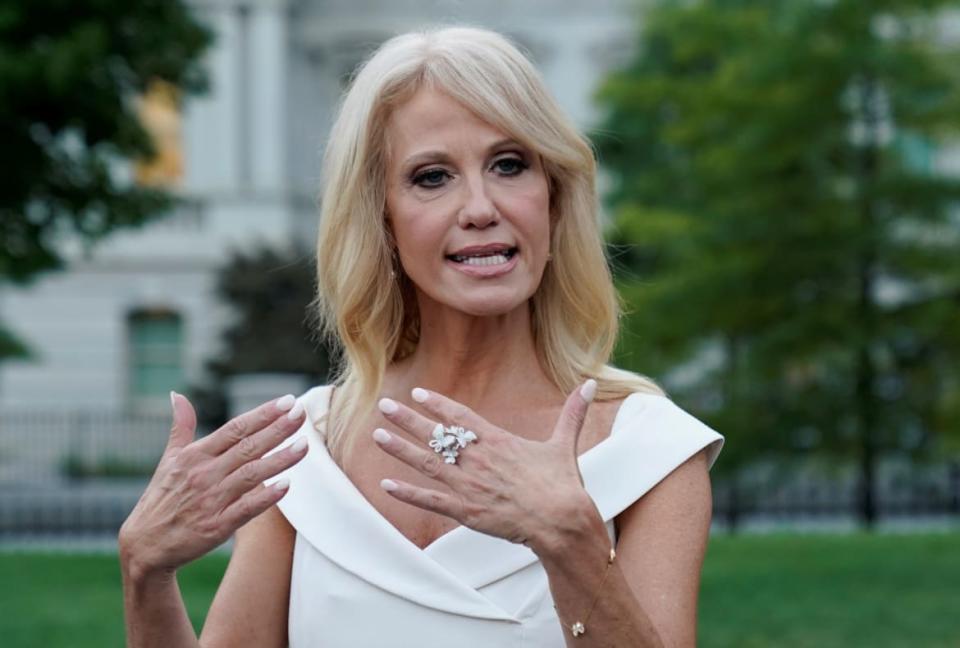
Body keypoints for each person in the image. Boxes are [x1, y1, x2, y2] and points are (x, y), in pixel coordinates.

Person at [119, 26, 724, 647]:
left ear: (554, 196)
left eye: (509, 165)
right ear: (381, 217)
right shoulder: (307, 449)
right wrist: (145, 573)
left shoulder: (648, 449)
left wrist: (570, 542)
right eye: (432, 177)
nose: (481, 207)